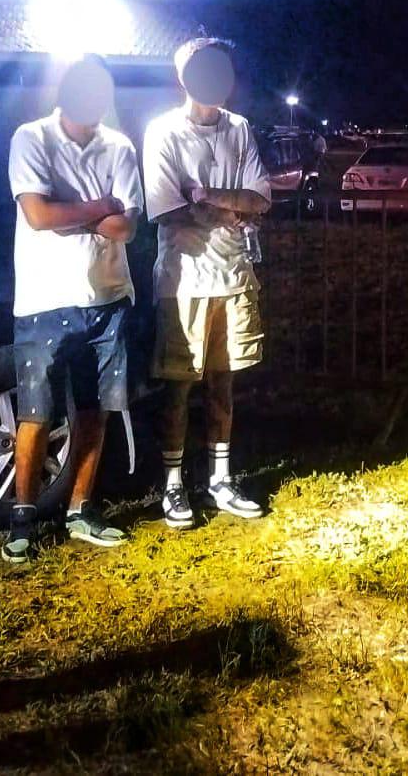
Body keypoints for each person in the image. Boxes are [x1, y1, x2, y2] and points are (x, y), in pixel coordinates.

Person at [2, 54, 144, 562]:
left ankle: (81, 510)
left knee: (94, 410)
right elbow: (38, 215)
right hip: (43, 298)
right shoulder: (31, 138)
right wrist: (99, 207)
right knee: (35, 413)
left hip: (108, 297)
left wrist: (70, 213)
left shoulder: (119, 146)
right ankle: (22, 520)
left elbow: (127, 227)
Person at [144, 37, 271, 529]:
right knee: (178, 386)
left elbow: (261, 198)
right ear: (183, 77)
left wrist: (208, 197)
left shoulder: (239, 128)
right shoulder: (163, 131)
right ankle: (173, 485)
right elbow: (167, 210)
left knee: (224, 381)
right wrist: (231, 209)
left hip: (234, 275)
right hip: (184, 280)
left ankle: (220, 479)